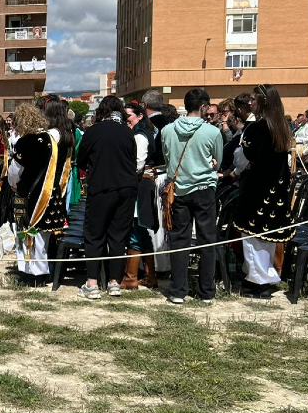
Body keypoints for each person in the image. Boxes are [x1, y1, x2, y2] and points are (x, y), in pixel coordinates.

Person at [160, 87, 224, 305]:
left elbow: (167, 157)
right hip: (204, 188)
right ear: (204, 107)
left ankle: (178, 290)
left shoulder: (167, 130)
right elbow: (218, 160)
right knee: (207, 239)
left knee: (179, 239)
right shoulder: (213, 132)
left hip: (178, 189)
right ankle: (206, 290)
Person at [233, 85, 296, 298]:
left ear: (263, 101)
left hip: (258, 189)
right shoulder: (281, 126)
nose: (250, 103)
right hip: (275, 188)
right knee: (265, 238)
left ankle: (257, 280)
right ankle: (264, 275)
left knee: (252, 237)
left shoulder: (258, 127)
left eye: (253, 99)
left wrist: (242, 163)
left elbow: (245, 157)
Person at [75, 95, 137, 300]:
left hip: (102, 186)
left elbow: (81, 160)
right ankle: (114, 283)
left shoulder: (93, 132)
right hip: (126, 187)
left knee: (94, 234)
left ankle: (92, 283)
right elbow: (133, 159)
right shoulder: (127, 133)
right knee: (119, 235)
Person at [8, 103, 71, 281]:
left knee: (25, 233)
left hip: (28, 194)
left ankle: (30, 272)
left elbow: (15, 172)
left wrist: (13, 185)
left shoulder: (25, 141)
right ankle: (42, 272)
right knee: (42, 236)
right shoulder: (50, 139)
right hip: (49, 192)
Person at [122, 101, 159, 290]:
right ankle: (150, 275)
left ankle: (130, 278)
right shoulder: (143, 133)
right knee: (142, 230)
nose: (125, 119)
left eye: (128, 115)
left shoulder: (139, 136)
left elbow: (137, 164)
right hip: (143, 183)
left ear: (139, 115)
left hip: (140, 185)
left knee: (135, 228)